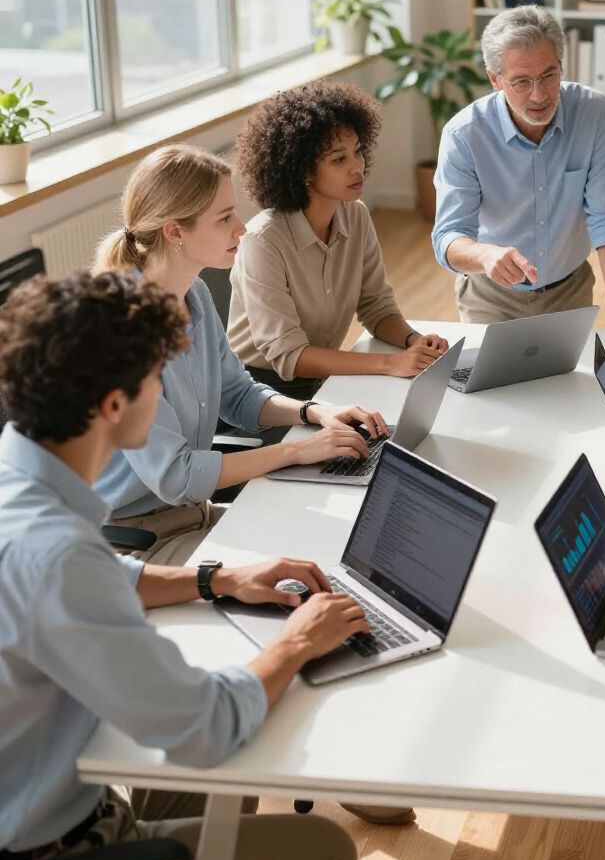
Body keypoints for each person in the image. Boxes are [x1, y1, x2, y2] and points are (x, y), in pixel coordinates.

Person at [0, 271, 365, 860]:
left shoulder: (20, 478)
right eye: (156, 381)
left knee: (228, 740)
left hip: (47, 786)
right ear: (113, 403)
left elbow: (95, 576)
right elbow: (209, 724)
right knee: (323, 848)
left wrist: (215, 578)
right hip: (49, 848)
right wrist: (298, 642)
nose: (164, 395)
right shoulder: (58, 554)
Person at [92, 144, 387, 566]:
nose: (242, 229)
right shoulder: (121, 334)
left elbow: (238, 395)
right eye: (225, 217)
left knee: (336, 534)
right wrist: (297, 451)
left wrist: (314, 412)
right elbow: (176, 477)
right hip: (135, 543)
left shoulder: (193, 293)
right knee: (307, 570)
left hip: (192, 515)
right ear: (175, 232)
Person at [432, 5, 605, 344]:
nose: (539, 95)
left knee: (567, 392)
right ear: (495, 79)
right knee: (493, 394)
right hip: (491, 295)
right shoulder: (464, 134)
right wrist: (486, 255)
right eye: (522, 82)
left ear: (561, 66)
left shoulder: (594, 113)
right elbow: (449, 237)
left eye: (548, 76)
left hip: (568, 291)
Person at [229, 80, 449, 399]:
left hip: (324, 378)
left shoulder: (355, 216)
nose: (357, 167)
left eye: (357, 151)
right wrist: (391, 364)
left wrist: (414, 342)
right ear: (302, 171)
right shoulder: (263, 240)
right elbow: (288, 355)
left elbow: (376, 305)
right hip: (259, 393)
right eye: (338, 159)